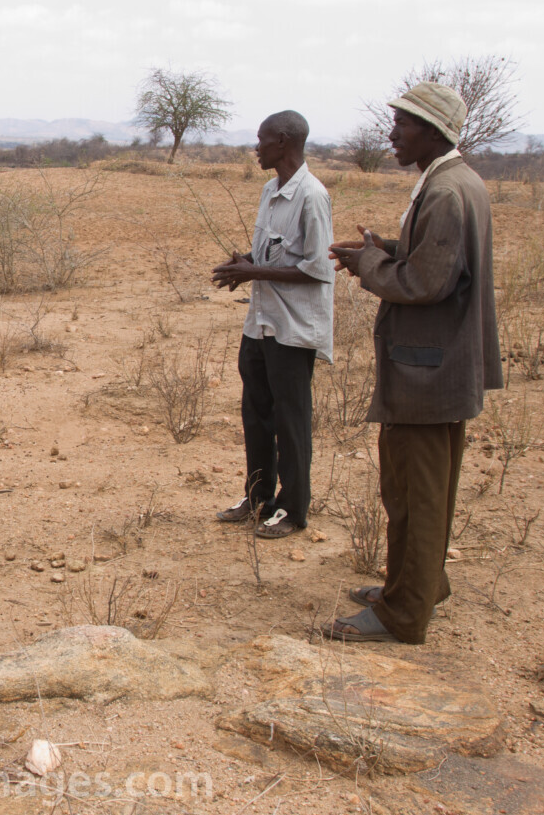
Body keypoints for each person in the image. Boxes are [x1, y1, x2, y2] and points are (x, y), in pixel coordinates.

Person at [325, 81, 501, 644]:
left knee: (414, 495)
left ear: (432, 131)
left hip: (428, 370)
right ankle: (418, 585)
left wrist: (371, 263)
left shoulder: (447, 191)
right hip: (442, 366)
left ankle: (404, 613)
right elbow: (439, 263)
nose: (393, 132)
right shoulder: (455, 182)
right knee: (425, 490)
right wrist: (386, 250)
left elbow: (425, 282)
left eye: (402, 123)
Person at [211, 110, 334, 539]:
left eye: (261, 139)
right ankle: (258, 496)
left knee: (291, 420)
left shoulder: (312, 196)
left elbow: (317, 268)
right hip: (260, 323)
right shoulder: (269, 189)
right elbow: (275, 254)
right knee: (256, 414)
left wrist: (255, 273)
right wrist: (247, 262)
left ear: (282, 142)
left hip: (292, 327)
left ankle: (293, 508)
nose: (256, 147)